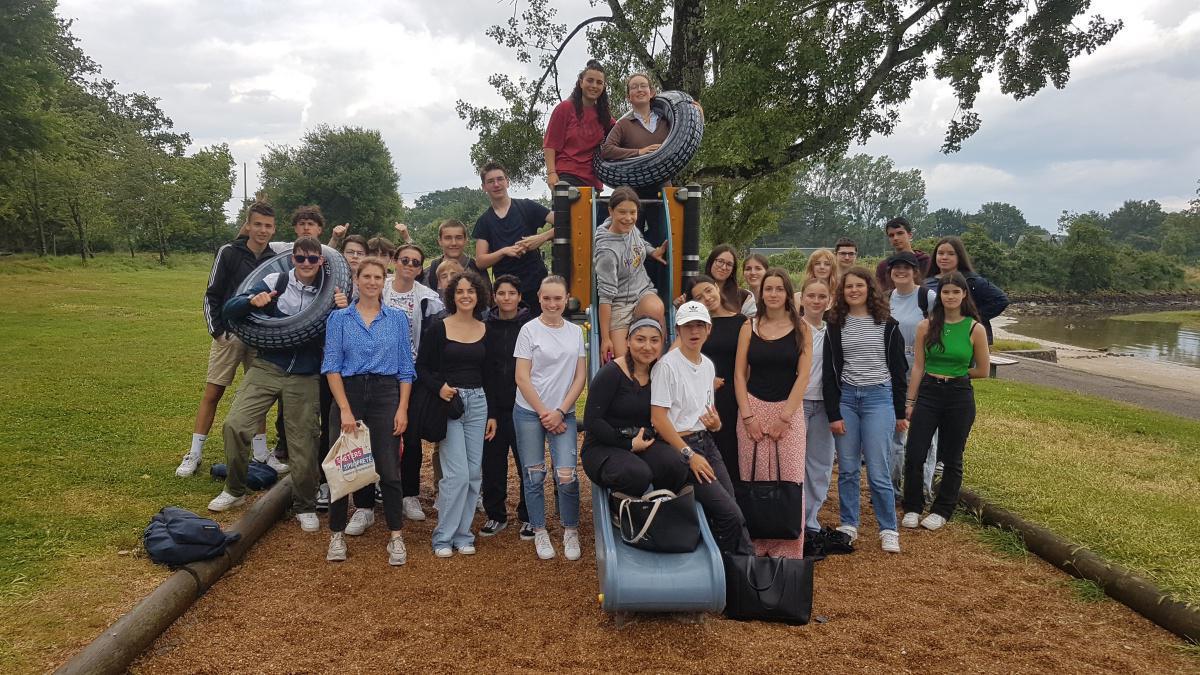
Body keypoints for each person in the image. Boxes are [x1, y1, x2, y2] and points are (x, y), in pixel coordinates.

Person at [209, 237, 347, 533]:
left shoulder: (330, 289)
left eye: (313, 259)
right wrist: (250, 301)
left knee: (304, 443)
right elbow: (230, 310)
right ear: (292, 258)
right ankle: (234, 490)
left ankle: (305, 505)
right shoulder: (276, 280)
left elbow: (339, 335)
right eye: (301, 258)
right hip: (268, 366)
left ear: (322, 260)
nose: (307, 264)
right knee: (235, 425)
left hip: (306, 374)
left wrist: (341, 310)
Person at [321, 256, 414, 565]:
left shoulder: (398, 319)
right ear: (357, 280)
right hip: (349, 392)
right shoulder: (339, 319)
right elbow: (331, 367)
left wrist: (402, 408)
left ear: (383, 280)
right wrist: (345, 409)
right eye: (367, 276)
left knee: (388, 467)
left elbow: (405, 369)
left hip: (386, 394)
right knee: (342, 466)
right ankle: (336, 534)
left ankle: (396, 537)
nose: (372, 282)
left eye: (378, 277)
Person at [178, 202, 281, 478]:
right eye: (257, 224)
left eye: (268, 226)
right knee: (213, 393)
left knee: (257, 396)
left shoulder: (273, 258)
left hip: (258, 337)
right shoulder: (229, 252)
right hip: (230, 335)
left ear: (274, 229)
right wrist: (217, 331)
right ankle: (194, 453)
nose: (262, 230)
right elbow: (212, 294)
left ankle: (260, 453)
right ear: (247, 225)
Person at [649, 301, 753, 555]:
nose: (693, 332)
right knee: (729, 514)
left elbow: (705, 412)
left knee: (733, 507)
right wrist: (689, 455)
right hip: (681, 447)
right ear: (678, 330)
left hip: (705, 441)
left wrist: (716, 423)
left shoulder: (707, 365)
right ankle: (732, 570)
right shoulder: (667, 366)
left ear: (708, 329)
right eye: (687, 326)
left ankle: (743, 565)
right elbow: (659, 419)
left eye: (699, 326)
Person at [823, 267, 908, 554]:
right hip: (847, 398)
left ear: (869, 288)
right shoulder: (835, 323)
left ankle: (888, 528)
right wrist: (833, 413)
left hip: (878, 399)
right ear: (842, 292)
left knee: (878, 468)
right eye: (848, 287)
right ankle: (849, 523)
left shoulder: (887, 324)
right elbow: (829, 370)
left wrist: (900, 412)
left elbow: (899, 370)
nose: (854, 291)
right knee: (847, 468)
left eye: (859, 286)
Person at [901, 271, 990, 531]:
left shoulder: (975, 328)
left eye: (955, 292)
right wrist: (910, 400)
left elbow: (983, 370)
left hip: (959, 395)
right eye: (945, 291)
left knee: (952, 456)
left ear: (964, 295)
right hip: (929, 391)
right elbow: (918, 366)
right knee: (915, 452)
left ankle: (942, 509)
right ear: (939, 295)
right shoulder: (926, 326)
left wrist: (956, 374)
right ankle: (913, 506)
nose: (950, 296)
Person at [732, 269, 812, 558]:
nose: (774, 294)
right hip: (752, 408)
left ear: (788, 293)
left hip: (787, 412)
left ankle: (788, 549)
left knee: (788, 480)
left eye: (779, 289)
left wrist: (785, 418)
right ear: (761, 293)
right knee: (752, 479)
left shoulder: (801, 328)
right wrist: (748, 417)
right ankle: (754, 546)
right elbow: (739, 375)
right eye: (769, 289)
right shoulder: (748, 327)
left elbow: (803, 377)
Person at [417, 272, 494, 557]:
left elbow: (491, 376)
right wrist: (439, 388)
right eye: (460, 291)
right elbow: (422, 367)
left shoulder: (485, 329)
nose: (465, 296)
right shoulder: (439, 328)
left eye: (470, 291)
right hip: (450, 403)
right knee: (456, 474)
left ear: (479, 295)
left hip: (479, 402)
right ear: (452, 295)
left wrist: (493, 414)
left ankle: (463, 534)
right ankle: (442, 537)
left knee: (474, 474)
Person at [513, 276, 587, 560]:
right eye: (547, 298)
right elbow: (522, 376)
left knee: (566, 473)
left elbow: (580, 376)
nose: (552, 303)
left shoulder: (574, 332)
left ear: (566, 298)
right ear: (539, 298)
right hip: (530, 412)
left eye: (558, 298)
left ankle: (570, 529)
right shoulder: (529, 331)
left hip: (562, 412)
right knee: (534, 474)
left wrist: (560, 411)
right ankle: (540, 530)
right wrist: (545, 412)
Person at [582, 317, 687, 496]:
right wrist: (628, 444)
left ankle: (663, 504)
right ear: (628, 341)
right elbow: (592, 421)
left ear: (662, 343)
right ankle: (620, 508)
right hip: (604, 445)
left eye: (654, 340)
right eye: (640, 339)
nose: (647, 346)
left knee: (676, 463)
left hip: (643, 442)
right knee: (637, 473)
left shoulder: (660, 373)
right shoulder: (611, 373)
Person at [383, 243, 445, 522]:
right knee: (378, 432)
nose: (409, 265)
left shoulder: (427, 298)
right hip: (379, 371)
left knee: (410, 434)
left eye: (415, 262)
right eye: (404, 260)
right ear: (395, 261)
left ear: (421, 268)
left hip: (412, 374)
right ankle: (377, 489)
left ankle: (409, 494)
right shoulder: (378, 287)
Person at [600, 72, 672, 291]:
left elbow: (687, 136)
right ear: (629, 97)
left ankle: (660, 291)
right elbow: (607, 150)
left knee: (662, 238)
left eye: (643, 86)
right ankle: (630, 289)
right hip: (633, 191)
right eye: (634, 87)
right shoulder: (624, 124)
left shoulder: (668, 121)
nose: (639, 90)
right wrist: (639, 152)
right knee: (631, 239)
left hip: (662, 188)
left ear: (651, 93)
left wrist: (697, 110)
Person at [480, 275, 533, 538]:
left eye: (512, 293)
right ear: (494, 296)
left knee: (526, 461)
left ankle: (529, 515)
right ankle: (495, 514)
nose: (507, 298)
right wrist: (489, 409)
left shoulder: (530, 326)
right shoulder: (484, 326)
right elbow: (484, 369)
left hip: (523, 404)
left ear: (519, 296)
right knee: (492, 463)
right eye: (501, 293)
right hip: (493, 405)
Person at [796, 277, 845, 555]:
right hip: (799, 402)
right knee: (794, 464)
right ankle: (793, 518)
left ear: (828, 301)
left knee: (820, 464)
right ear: (802, 299)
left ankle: (810, 521)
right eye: (811, 296)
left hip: (825, 405)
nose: (816, 301)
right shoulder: (793, 328)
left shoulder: (833, 332)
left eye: (821, 297)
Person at [887, 251, 939, 498]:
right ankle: (893, 488)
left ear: (915, 271)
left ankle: (922, 491)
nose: (901, 271)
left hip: (925, 374)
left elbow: (942, 330)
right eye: (896, 267)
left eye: (906, 267)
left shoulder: (927, 297)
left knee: (925, 437)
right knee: (896, 434)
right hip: (894, 375)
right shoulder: (887, 299)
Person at [594, 186, 667, 362]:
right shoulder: (607, 252)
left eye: (632, 212)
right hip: (618, 304)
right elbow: (605, 297)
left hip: (642, 292)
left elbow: (639, 243)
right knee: (623, 362)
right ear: (611, 211)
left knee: (656, 307)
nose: (628, 218)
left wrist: (651, 252)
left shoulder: (631, 229)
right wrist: (605, 338)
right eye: (622, 212)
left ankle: (659, 364)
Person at [473, 162, 556, 315]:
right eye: (491, 181)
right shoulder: (484, 221)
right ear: (484, 187)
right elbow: (480, 261)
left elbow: (567, 223)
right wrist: (504, 251)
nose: (496, 184)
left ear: (507, 181)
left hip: (538, 287)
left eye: (500, 179)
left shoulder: (527, 207)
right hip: (507, 293)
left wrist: (541, 238)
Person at [687, 274, 747, 483]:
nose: (707, 298)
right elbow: (680, 360)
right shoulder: (694, 327)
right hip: (702, 396)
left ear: (716, 287)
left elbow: (746, 364)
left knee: (731, 449)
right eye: (699, 298)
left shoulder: (741, 321)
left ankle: (734, 503)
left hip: (732, 396)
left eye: (708, 291)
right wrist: (703, 380)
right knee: (705, 448)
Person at [544, 59, 615, 191]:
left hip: (594, 181)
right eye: (590, 80)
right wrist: (551, 173)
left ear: (604, 87)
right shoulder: (565, 108)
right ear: (581, 82)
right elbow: (550, 144)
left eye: (599, 82)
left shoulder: (603, 115)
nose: (594, 85)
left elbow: (621, 131)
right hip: (567, 177)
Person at [924, 236, 1009, 344]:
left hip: (968, 338)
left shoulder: (971, 281)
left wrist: (971, 317)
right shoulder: (927, 282)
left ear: (959, 256)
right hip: (936, 336)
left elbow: (1001, 300)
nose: (944, 257)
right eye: (940, 253)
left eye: (951, 254)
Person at [677, 245, 750, 313]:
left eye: (729, 264)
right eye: (720, 261)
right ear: (711, 262)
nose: (724, 267)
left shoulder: (743, 296)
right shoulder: (693, 291)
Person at [875, 217, 931, 292]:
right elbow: (880, 293)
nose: (895, 238)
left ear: (910, 235)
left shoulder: (926, 261)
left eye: (900, 233)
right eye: (891, 235)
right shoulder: (884, 266)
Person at [423, 219, 480, 289]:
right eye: (448, 238)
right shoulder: (429, 274)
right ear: (440, 241)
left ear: (466, 240)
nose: (454, 243)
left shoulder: (477, 270)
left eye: (459, 238)